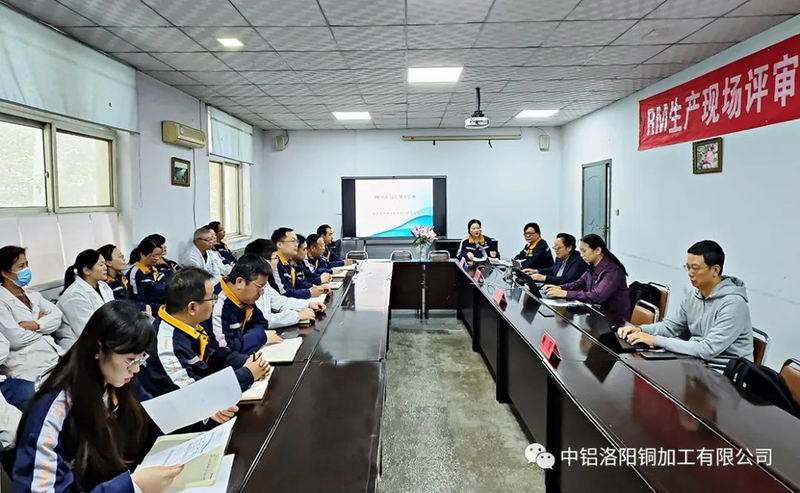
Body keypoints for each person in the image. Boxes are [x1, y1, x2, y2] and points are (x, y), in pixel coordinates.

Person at [13, 301, 183, 493]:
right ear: (98, 349)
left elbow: (152, 418)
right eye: (130, 360)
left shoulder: (119, 381)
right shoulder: (52, 410)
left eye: (141, 358)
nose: (135, 369)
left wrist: (198, 417)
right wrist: (132, 486)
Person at [618, 240, 753, 370]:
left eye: (695, 268)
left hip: (724, 373)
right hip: (695, 363)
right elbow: (670, 327)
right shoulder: (693, 296)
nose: (690, 273)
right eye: (688, 267)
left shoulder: (734, 304)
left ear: (715, 270)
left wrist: (654, 340)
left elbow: (708, 349)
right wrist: (640, 330)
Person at [137, 268, 270, 397]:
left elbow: (216, 355)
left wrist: (247, 362)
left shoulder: (189, 323)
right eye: (212, 298)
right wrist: (248, 374)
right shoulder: (166, 346)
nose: (214, 302)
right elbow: (194, 395)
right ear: (192, 307)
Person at [0, 246, 63, 381]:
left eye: (27, 264)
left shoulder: (33, 295)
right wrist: (45, 327)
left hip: (53, 357)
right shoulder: (2, 300)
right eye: (21, 266)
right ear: (5, 273)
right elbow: (16, 340)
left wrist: (35, 325)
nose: (27, 269)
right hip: (27, 367)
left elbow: (57, 316)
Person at [205, 254, 282, 354]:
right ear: (240, 282)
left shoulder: (244, 298)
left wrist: (248, 338)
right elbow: (224, 350)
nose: (261, 292)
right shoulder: (217, 304)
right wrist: (259, 337)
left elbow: (262, 322)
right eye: (259, 287)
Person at [544, 234, 630, 321]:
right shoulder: (592, 267)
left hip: (613, 319)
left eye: (584, 251)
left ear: (598, 250)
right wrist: (560, 288)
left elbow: (597, 296)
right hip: (595, 314)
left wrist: (565, 293)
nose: (581, 255)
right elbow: (579, 283)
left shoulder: (612, 271)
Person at [244, 239, 326, 329]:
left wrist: (308, 304)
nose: (277, 261)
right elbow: (264, 320)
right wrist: (297, 316)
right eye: (275, 258)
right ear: (264, 262)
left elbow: (281, 302)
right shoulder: (250, 285)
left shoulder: (265, 283)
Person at [56, 249, 114, 350]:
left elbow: (114, 312)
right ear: (87, 270)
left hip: (105, 338)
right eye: (101, 265)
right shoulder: (74, 296)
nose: (105, 267)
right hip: (80, 347)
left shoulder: (103, 286)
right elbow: (88, 330)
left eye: (104, 264)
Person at [271, 228, 330, 299]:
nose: (297, 244)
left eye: (297, 241)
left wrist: (316, 288)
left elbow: (298, 283)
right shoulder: (274, 262)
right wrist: (309, 292)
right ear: (279, 244)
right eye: (293, 241)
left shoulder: (287, 262)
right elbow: (285, 292)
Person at [126, 237, 168, 315]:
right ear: (142, 254)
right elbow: (138, 299)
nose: (157, 258)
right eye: (153, 256)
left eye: (159, 255)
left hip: (163, 310)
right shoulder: (135, 273)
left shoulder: (155, 269)